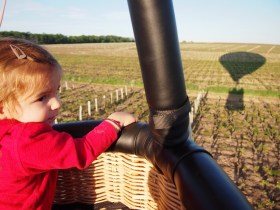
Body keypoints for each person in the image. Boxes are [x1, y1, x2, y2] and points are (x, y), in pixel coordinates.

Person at [0, 38, 136, 210]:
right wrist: (114, 123)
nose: (57, 103)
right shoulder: (27, 140)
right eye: (42, 98)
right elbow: (81, 151)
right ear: (2, 108)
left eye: (56, 91)